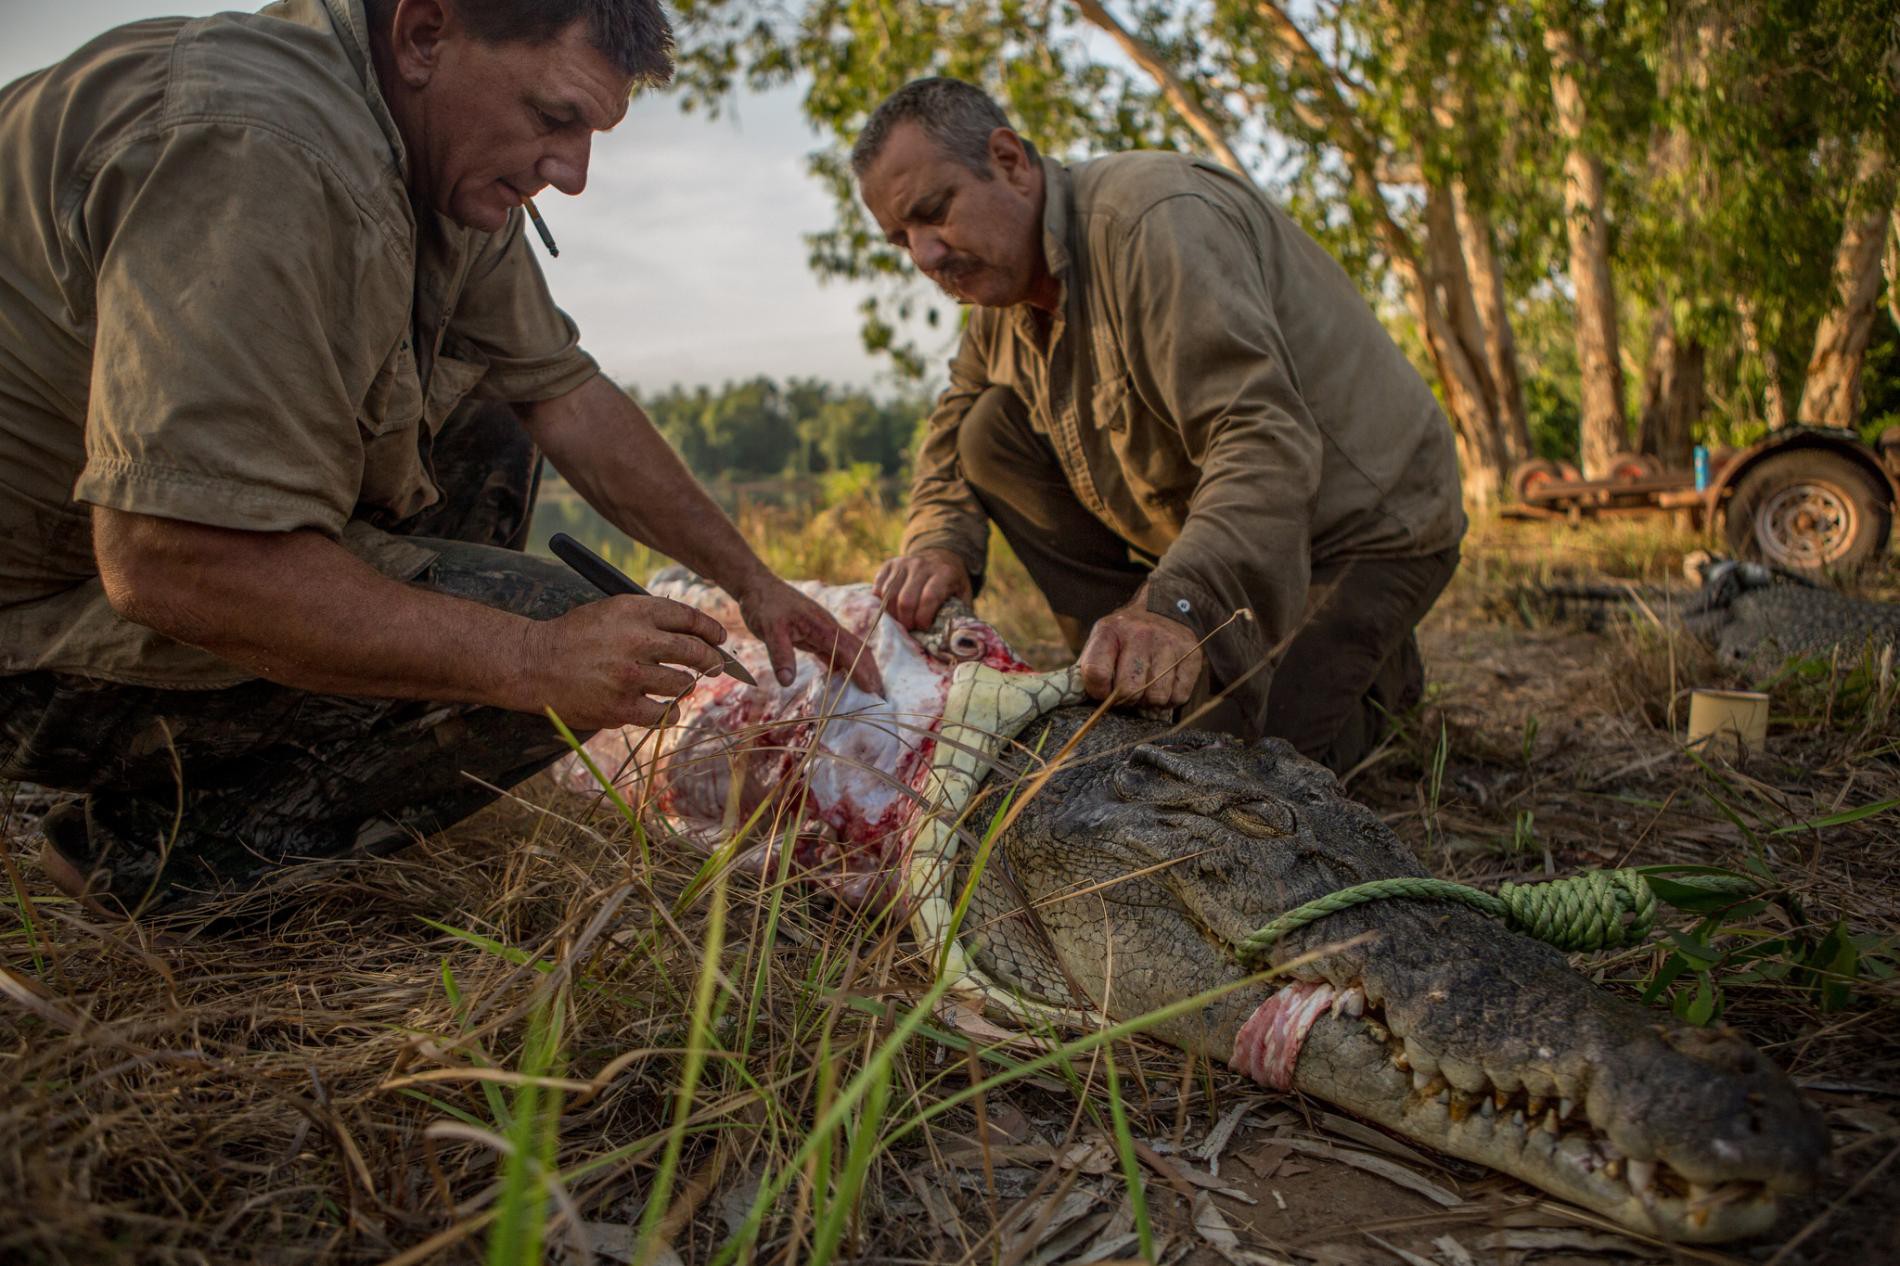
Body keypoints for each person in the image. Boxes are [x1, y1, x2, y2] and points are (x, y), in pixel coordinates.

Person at [0, 0, 881, 916]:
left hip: (117, 569)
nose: (573, 174)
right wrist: (531, 657)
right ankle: (148, 860)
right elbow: (170, 561)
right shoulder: (257, 149)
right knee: (565, 622)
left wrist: (754, 582)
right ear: (425, 35)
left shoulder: (436, 159)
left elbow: (565, 396)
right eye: (554, 118)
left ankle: (191, 789)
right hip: (34, 630)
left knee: (493, 423)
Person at [860, 78, 1465, 771]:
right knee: (986, 433)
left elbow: (1259, 438)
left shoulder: (1154, 222)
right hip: (1226, 537)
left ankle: (1376, 677)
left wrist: (1175, 606)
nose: (926, 257)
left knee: (1240, 779)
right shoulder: (997, 308)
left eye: (934, 213)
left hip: (1365, 529)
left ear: (1009, 161)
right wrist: (939, 546)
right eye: (901, 241)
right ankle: (1135, 668)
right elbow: (953, 430)